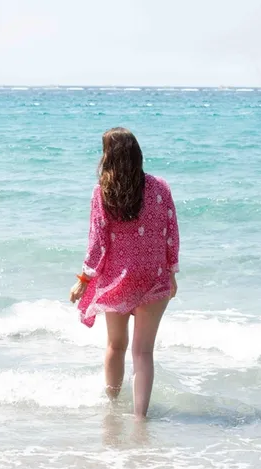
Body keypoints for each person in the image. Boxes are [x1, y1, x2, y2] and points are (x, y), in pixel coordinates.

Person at [69, 127, 180, 420]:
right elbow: (171, 233)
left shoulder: (102, 192)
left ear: (108, 156)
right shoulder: (161, 187)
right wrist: (172, 271)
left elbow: (98, 242)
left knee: (116, 346)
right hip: (154, 275)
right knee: (143, 353)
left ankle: (113, 407)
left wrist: (84, 279)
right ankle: (140, 417)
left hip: (118, 278)